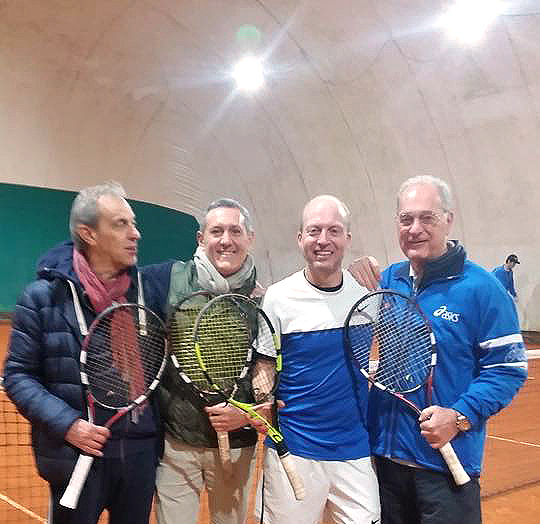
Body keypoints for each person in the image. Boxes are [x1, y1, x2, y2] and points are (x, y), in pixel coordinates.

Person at [349, 175, 527, 524]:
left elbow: (508, 370)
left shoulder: (484, 289)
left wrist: (459, 416)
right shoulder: (388, 280)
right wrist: (353, 274)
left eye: (426, 218)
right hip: (384, 467)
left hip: (445, 469)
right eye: (406, 219)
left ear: (448, 220)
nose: (415, 229)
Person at [2, 182, 172, 524]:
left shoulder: (147, 289)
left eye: (134, 223)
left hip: (139, 453)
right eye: (121, 224)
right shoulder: (43, 297)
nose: (135, 233)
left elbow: (202, 271)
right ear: (88, 233)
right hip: (76, 454)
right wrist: (68, 425)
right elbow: (18, 376)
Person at [257, 195, 380, 524]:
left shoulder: (369, 293)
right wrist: (262, 397)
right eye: (314, 231)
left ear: (347, 239)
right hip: (293, 450)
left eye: (334, 231)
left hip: (354, 450)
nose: (323, 240)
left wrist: (371, 263)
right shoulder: (278, 298)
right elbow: (265, 364)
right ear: (300, 239)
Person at [155, 198, 263, 524]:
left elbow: (269, 376)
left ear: (250, 238)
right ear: (201, 239)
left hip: (237, 446)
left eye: (235, 231)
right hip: (177, 445)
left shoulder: (265, 301)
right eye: (216, 231)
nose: (226, 240)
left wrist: (245, 414)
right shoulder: (168, 279)